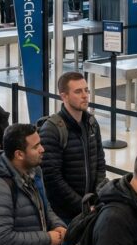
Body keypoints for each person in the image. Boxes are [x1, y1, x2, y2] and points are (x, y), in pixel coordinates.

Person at [39, 71, 106, 225]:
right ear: (64, 96)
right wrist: (81, 205)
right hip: (65, 214)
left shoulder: (91, 123)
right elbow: (52, 178)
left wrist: (96, 195)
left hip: (90, 207)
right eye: (78, 91)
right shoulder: (52, 129)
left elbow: (100, 162)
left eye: (86, 90)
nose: (85, 95)